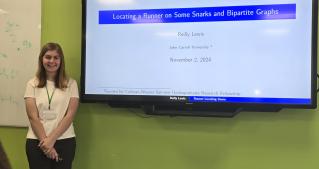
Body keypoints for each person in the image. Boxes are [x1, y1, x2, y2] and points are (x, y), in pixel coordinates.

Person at [24, 42, 79, 169]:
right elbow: (33, 117)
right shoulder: (32, 84)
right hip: (36, 141)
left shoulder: (71, 84)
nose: (52, 61)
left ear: (61, 60)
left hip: (65, 141)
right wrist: (46, 143)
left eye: (56, 57)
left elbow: (70, 115)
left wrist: (51, 140)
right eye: (48, 57)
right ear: (41, 59)